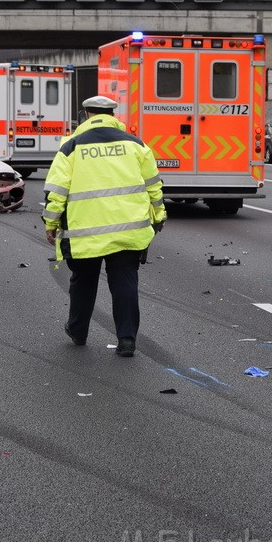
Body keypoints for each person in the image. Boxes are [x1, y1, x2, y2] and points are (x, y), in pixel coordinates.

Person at [43, 95, 166, 357]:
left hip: (86, 231)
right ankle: (127, 340)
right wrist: (159, 215)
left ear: (86, 114)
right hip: (128, 229)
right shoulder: (136, 144)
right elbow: (154, 185)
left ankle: (78, 331)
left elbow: (57, 191)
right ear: (113, 114)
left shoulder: (71, 146)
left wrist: (51, 223)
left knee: (83, 281)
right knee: (124, 283)